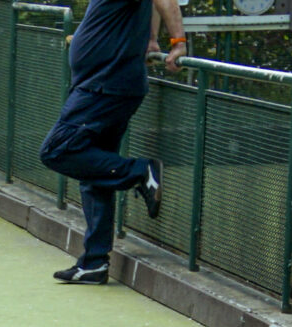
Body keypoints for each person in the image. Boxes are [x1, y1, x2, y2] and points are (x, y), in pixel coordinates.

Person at [38, 0, 184, 285]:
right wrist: (151, 38)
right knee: (95, 172)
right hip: (105, 84)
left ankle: (141, 172)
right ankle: (94, 263)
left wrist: (178, 42)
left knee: (56, 150)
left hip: (103, 87)